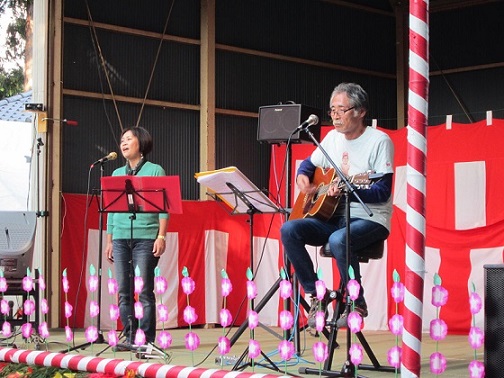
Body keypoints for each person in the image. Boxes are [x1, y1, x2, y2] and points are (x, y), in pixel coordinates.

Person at [280, 83, 394, 329]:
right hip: (332, 217)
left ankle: (356, 302)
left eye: (341, 110)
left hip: (370, 218)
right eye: (332, 110)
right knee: (289, 229)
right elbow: (309, 165)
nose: (335, 116)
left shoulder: (379, 141)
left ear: (360, 111)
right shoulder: (331, 138)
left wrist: (348, 193)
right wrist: (303, 178)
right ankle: (316, 295)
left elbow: (382, 190)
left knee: (339, 240)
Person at [105, 126, 168, 347]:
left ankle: (146, 340)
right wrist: (110, 239)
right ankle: (131, 337)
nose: (123, 143)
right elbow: (111, 210)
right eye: (122, 140)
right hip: (121, 237)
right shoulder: (115, 174)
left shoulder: (155, 170)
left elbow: (163, 208)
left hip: (146, 237)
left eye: (128, 139)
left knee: (143, 290)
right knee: (123, 291)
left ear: (140, 143)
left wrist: (161, 236)